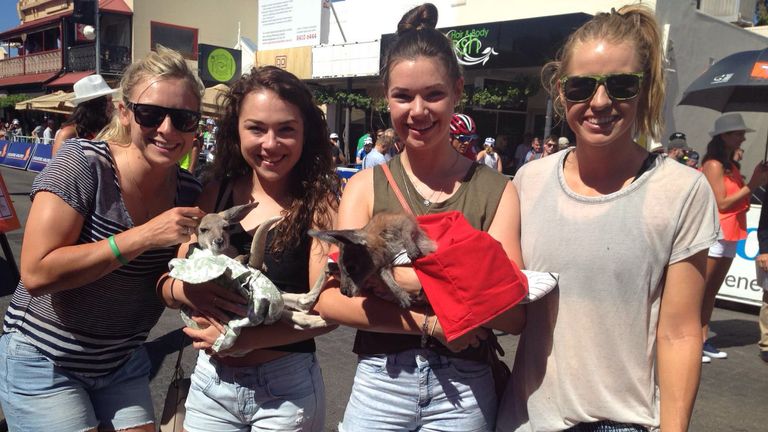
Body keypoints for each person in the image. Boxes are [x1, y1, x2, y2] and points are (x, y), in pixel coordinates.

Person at [498, 5, 720, 431]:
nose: (599, 102)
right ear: (561, 91)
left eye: (621, 85)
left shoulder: (682, 191)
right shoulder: (528, 181)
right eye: (581, 86)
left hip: (621, 422)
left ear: (644, 88)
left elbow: (680, 333)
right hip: (526, 420)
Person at [314, 3, 526, 431]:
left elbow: (512, 313)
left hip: (464, 388)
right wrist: (433, 320)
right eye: (403, 96)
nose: (418, 110)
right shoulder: (364, 187)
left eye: (433, 94)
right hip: (381, 383)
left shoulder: (496, 191)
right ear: (385, 98)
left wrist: (405, 281)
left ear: (457, 92)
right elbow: (332, 299)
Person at [0, 46, 205, 432]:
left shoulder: (190, 191)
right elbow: (36, 273)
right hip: (44, 356)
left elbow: (171, 280)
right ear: (124, 113)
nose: (167, 129)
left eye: (183, 118)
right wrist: (144, 236)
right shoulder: (82, 163)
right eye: (150, 114)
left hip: (121, 360)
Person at [156, 66, 339, 431]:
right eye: (256, 128)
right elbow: (172, 281)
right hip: (211, 384)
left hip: (285, 392)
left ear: (305, 133)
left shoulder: (321, 207)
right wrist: (185, 291)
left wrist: (241, 340)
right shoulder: (214, 194)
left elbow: (328, 313)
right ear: (235, 131)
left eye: (286, 129)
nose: (270, 144)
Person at [700, 113, 768, 363]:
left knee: (711, 291)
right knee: (701, 290)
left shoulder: (731, 167)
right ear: (724, 137)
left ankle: (702, 339)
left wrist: (754, 183)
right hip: (716, 232)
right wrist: (753, 184)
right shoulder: (713, 165)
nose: (742, 138)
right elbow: (721, 202)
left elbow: (738, 200)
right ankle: (692, 340)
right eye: (738, 134)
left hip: (731, 232)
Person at [52, 74, 117, 156]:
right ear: (95, 105)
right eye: (109, 101)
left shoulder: (108, 130)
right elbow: (58, 163)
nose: (113, 106)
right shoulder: (69, 133)